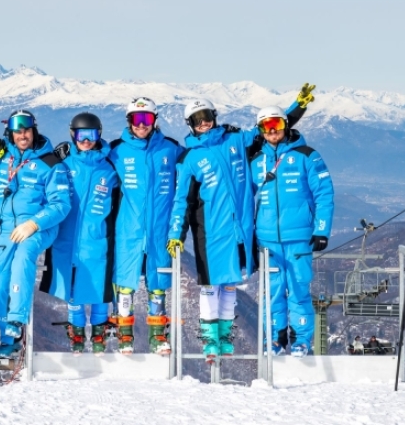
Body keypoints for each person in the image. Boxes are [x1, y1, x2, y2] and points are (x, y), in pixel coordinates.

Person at [167, 84, 315, 362]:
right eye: (197, 120)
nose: (204, 122)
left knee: (231, 285)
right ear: (190, 125)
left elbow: (271, 128)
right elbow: (181, 201)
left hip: (241, 232)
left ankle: (225, 336)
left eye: (207, 115)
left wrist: (299, 106)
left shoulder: (235, 140)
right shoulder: (189, 158)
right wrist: (176, 233)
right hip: (211, 233)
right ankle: (210, 340)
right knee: (211, 286)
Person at [0, 109, 72, 357]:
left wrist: (34, 224)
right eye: (17, 131)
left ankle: (16, 321)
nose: (23, 135)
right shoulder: (2, 159)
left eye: (26, 130)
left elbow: (61, 204)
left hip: (39, 227)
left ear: (34, 130)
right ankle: (9, 338)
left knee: (24, 256)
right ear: (10, 133)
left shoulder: (50, 163)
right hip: (7, 228)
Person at [249, 105, 334, 357]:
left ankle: (301, 340)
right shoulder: (256, 160)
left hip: (298, 238)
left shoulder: (307, 155)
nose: (272, 130)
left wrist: (321, 230)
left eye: (276, 124)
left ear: (286, 125)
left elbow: (324, 193)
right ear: (261, 130)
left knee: (298, 289)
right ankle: (275, 339)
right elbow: (244, 198)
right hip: (266, 240)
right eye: (266, 126)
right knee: (273, 291)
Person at [107, 97, 182, 355]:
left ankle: (158, 336)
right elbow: (89, 159)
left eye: (147, 119)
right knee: (126, 283)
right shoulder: (116, 150)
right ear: (129, 121)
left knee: (158, 281)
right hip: (128, 229)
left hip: (160, 229)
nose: (141, 125)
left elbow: (197, 164)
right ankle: (124, 335)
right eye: (136, 119)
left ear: (155, 120)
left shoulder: (170, 149)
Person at [41, 112, 119, 355]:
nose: (86, 141)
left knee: (98, 287)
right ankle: (76, 333)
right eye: (81, 135)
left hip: (97, 239)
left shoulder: (109, 168)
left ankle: (98, 334)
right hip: (68, 237)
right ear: (73, 135)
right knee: (72, 288)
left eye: (92, 135)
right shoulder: (63, 164)